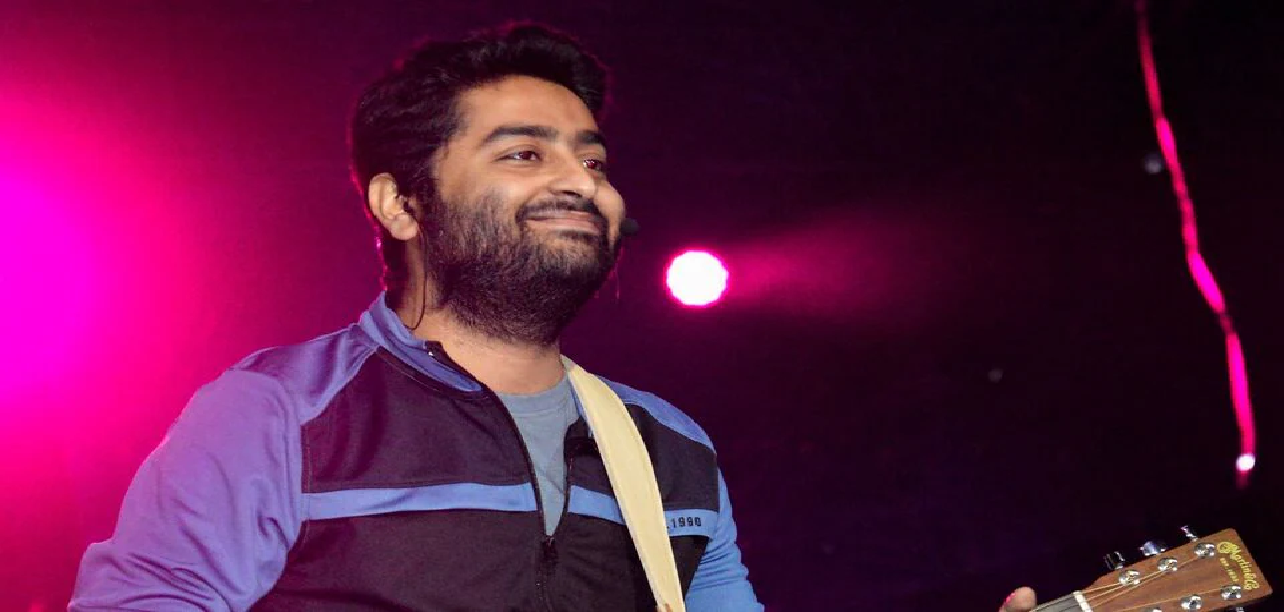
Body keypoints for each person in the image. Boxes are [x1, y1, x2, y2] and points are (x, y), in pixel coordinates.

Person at [69, 24, 1037, 612]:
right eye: (524, 154)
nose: (583, 181)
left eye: (594, 159)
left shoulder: (670, 448)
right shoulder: (278, 411)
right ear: (401, 204)